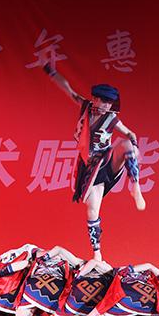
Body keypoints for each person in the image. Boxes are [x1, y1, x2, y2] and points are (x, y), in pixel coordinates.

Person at [43, 63, 145, 260]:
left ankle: (135, 186)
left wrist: (135, 146)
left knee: (125, 144)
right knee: (92, 211)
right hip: (90, 168)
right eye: (104, 101)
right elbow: (68, 89)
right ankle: (97, 253)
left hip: (106, 160)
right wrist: (51, 71)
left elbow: (130, 133)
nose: (106, 106)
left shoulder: (111, 118)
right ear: (95, 99)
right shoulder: (85, 107)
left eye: (109, 103)